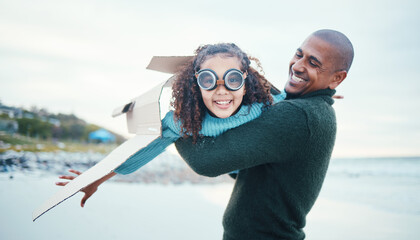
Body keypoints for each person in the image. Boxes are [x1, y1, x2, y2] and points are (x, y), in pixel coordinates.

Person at [175, 29, 354, 240]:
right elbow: (240, 167)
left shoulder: (299, 115)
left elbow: (205, 161)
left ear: (337, 78)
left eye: (313, 63)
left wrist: (170, 125)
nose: (297, 66)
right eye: (299, 55)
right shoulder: (313, 110)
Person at [56, 43, 286, 207]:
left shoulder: (265, 106)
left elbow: (293, 100)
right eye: (208, 80)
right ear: (196, 83)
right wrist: (95, 180)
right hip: (234, 171)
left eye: (233, 79)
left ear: (245, 81)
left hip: (261, 168)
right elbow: (140, 150)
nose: (222, 90)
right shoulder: (183, 121)